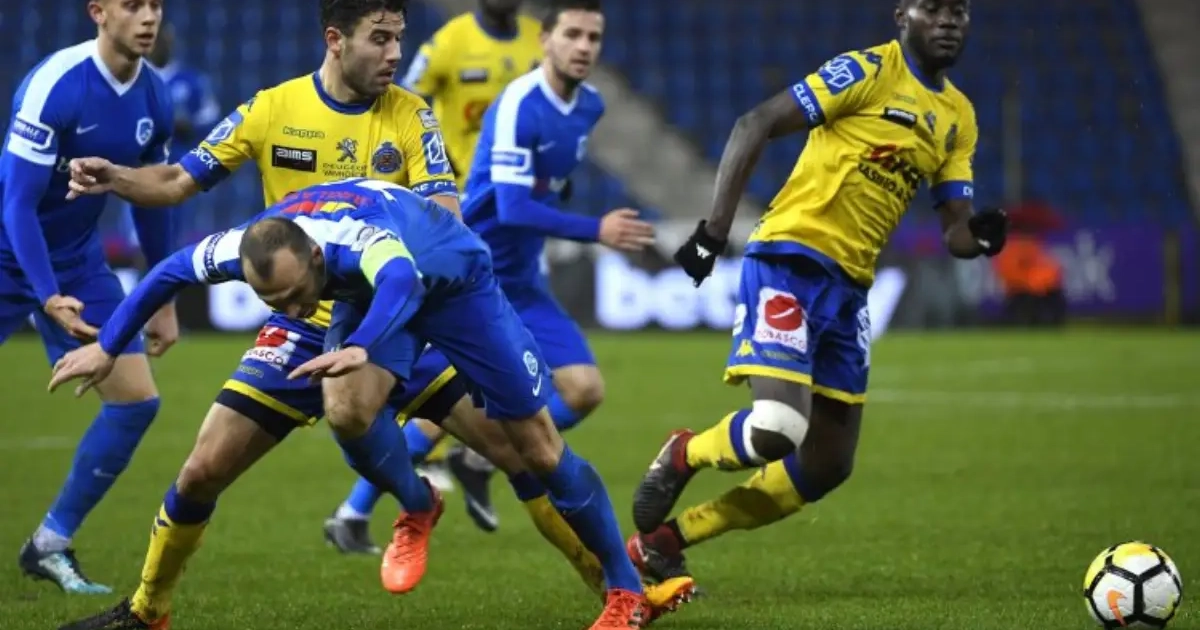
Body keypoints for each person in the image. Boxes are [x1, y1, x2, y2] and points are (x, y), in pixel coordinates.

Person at [51, 178, 688, 630]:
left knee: (539, 448)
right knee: (348, 410)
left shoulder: (358, 241)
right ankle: (418, 503)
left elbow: (402, 278)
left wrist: (359, 345)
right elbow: (167, 271)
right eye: (274, 304)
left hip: (455, 286)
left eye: (296, 295)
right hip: (368, 293)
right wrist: (108, 346)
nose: (292, 310)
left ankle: (624, 590)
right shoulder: (247, 245)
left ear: (316, 258)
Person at [59, 0, 463, 559]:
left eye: (399, 38)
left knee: (532, 452)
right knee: (201, 470)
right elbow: (176, 180)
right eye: (381, 38)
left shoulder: (412, 115)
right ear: (336, 39)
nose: (396, 53)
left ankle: (607, 581)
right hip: (300, 322)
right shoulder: (272, 108)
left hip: (395, 313)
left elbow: (446, 220)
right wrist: (118, 177)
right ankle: (147, 603)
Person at [626, 0, 1010, 584]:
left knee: (828, 463)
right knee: (777, 428)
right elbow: (754, 123)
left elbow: (954, 229)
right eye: (932, 8)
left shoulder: (958, 115)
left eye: (959, 10)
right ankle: (686, 452)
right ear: (902, 15)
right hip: (790, 260)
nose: (948, 21)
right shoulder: (867, 71)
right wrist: (713, 233)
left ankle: (665, 541)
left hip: (849, 291)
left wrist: (978, 236)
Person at [339, 0, 546, 533]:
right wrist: (431, 170)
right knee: (509, 376)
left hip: (515, 215)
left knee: (515, 378)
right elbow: (400, 96)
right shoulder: (450, 42)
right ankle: (364, 505)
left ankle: (363, 507)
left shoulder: (537, 38)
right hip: (464, 209)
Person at [1, 0, 176, 594]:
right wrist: (47, 295)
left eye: (156, 4)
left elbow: (153, 198)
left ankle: (49, 545)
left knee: (136, 403)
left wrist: (163, 296)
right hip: (8, 250)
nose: (149, 17)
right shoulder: (57, 84)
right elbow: (17, 204)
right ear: (98, 11)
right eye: (133, 5)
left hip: (77, 261)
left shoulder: (154, 97)